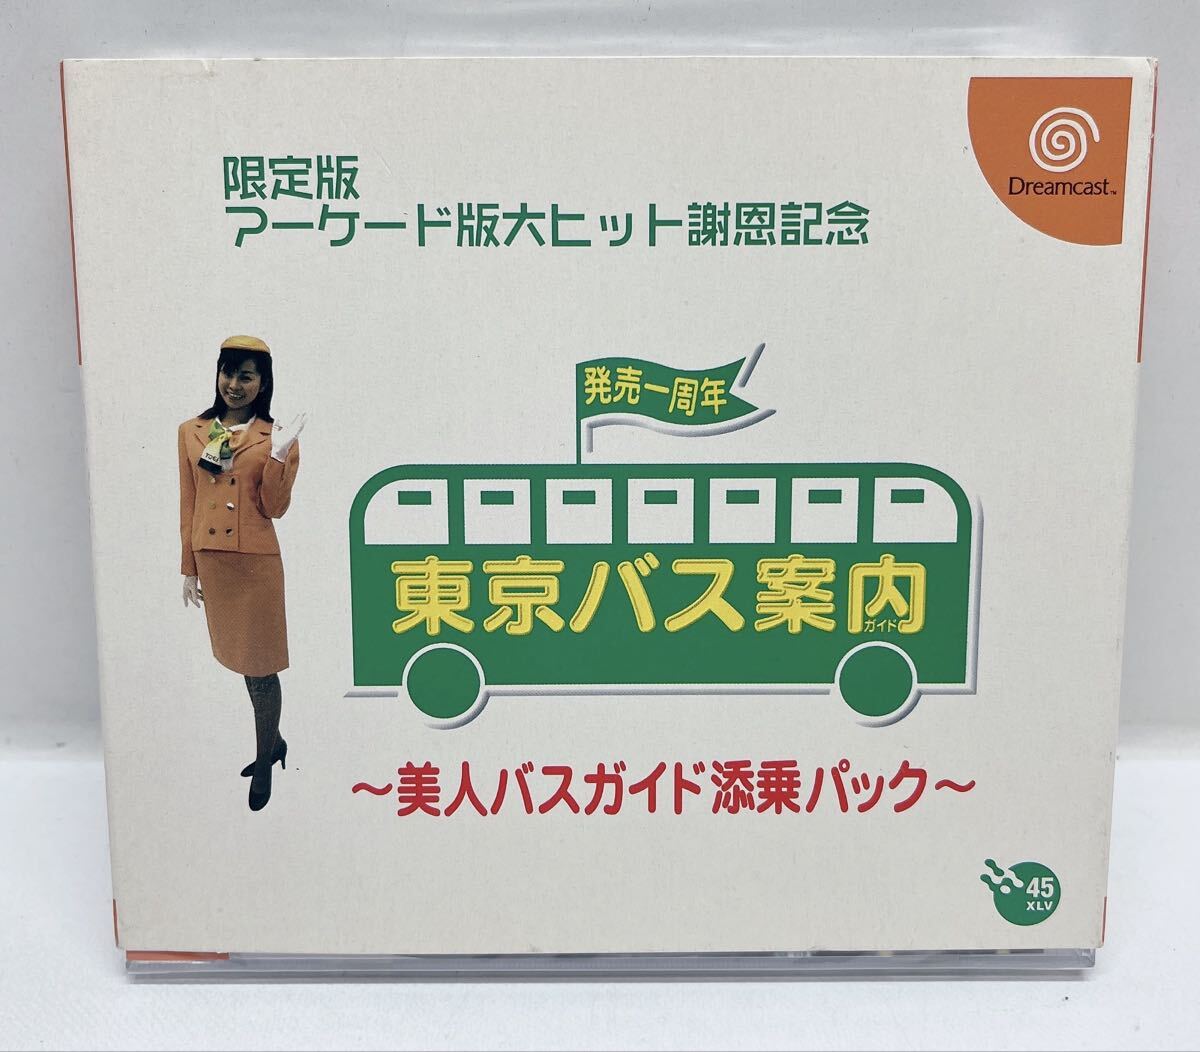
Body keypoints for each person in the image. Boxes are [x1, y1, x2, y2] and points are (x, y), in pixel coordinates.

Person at [178, 335, 306, 812]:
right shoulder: (191, 431)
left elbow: (274, 507)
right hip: (214, 562)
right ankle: (273, 741)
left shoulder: (276, 437)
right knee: (242, 663)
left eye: (246, 376)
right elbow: (189, 500)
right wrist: (189, 567)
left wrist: (279, 457)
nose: (234, 384)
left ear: (263, 383)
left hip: (255, 565)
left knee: (261, 667)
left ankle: (265, 758)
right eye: (228, 372)